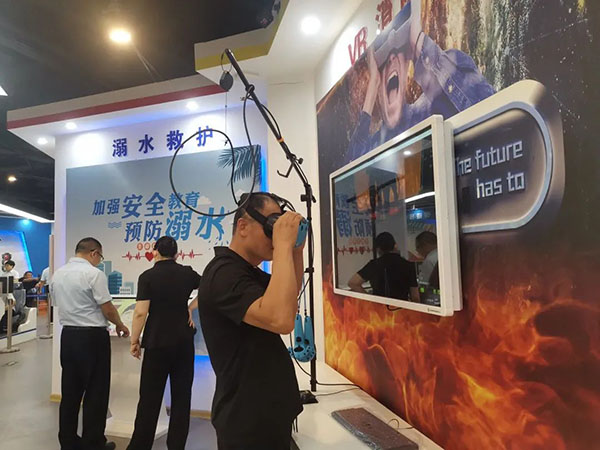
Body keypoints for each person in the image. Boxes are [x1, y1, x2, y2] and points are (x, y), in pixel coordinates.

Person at [195, 192, 304, 450]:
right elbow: (281, 320)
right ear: (242, 226)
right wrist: (283, 246)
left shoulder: (247, 273)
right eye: (271, 226)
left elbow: (288, 301)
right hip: (247, 422)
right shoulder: (223, 274)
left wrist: (295, 249)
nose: (275, 235)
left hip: (265, 414)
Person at [348, 0, 495, 160]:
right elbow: (352, 164)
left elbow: (491, 116)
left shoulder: (428, 106)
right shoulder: (384, 140)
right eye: (382, 66)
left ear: (405, 69)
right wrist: (373, 84)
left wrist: (418, 43)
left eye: (399, 52)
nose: (391, 60)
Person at [50, 237, 130, 450]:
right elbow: (107, 308)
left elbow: (57, 303)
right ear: (94, 253)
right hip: (92, 338)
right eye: (99, 257)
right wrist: (120, 324)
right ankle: (93, 443)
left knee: (70, 392)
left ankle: (68, 442)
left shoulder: (58, 274)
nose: (99, 261)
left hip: (68, 337)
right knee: (96, 392)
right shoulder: (94, 274)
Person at [127, 236, 201, 450]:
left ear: (155, 251)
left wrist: (134, 340)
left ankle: (139, 446)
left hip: (156, 343)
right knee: (181, 397)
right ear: (176, 254)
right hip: (183, 342)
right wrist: (190, 307)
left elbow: (140, 312)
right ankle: (176, 446)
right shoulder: (187, 273)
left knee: (149, 399)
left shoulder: (147, 277)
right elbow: (209, 287)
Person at [348, 232, 419, 301]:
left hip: (379, 307)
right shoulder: (408, 265)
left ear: (378, 249)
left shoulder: (374, 265)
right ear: (395, 245)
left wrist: (370, 299)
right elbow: (415, 297)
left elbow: (353, 283)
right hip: (401, 306)